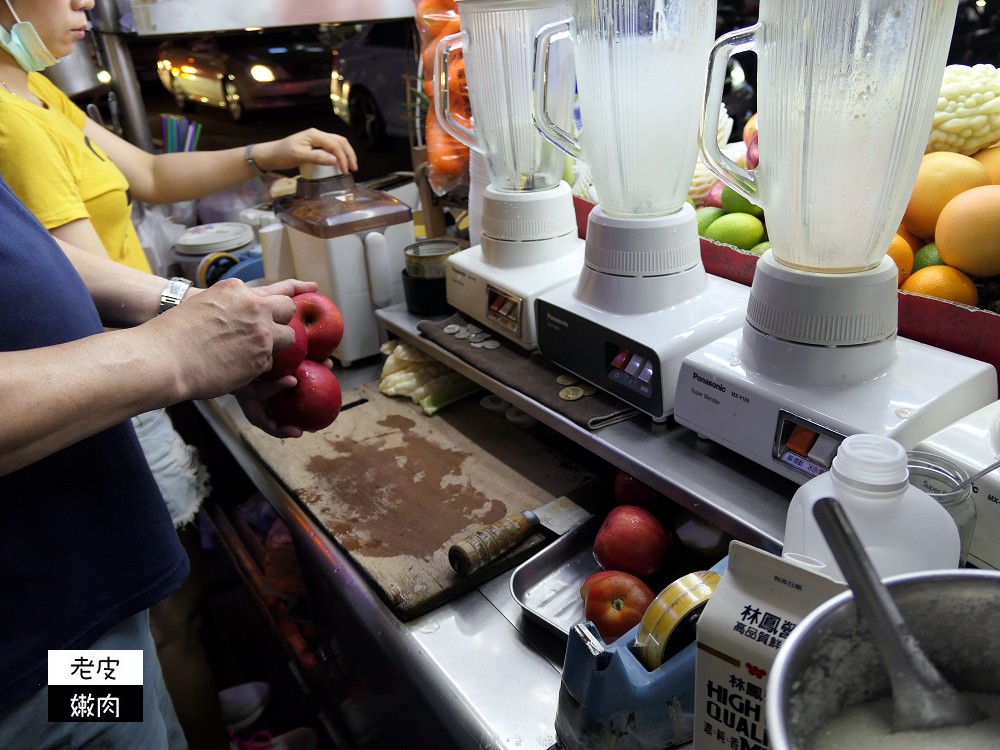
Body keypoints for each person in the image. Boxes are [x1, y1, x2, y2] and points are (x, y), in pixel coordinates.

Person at [0, 1, 356, 747]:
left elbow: (135, 189)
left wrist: (188, 314)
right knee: (156, 639)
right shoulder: (8, 119)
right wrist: (176, 348)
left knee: (140, 666)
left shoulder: (31, 87)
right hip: (32, 653)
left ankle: (175, 714)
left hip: (81, 572)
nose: (87, 3)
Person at [0, 168, 315, 748]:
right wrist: (171, 353)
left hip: (86, 606)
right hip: (25, 674)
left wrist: (186, 310)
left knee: (148, 722)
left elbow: (22, 256)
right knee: (107, 728)